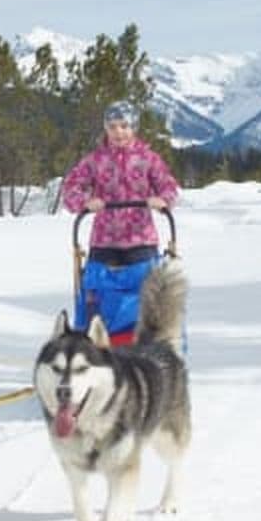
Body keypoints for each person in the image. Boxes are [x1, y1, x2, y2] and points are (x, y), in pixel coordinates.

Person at [62, 100, 180, 341]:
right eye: (113, 126)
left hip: (141, 241)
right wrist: (86, 201)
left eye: (124, 126)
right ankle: (93, 345)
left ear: (134, 127)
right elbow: (70, 189)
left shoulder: (149, 159)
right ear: (106, 129)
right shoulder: (95, 160)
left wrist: (162, 200)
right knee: (96, 297)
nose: (119, 132)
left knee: (146, 298)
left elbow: (169, 187)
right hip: (104, 241)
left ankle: (146, 345)